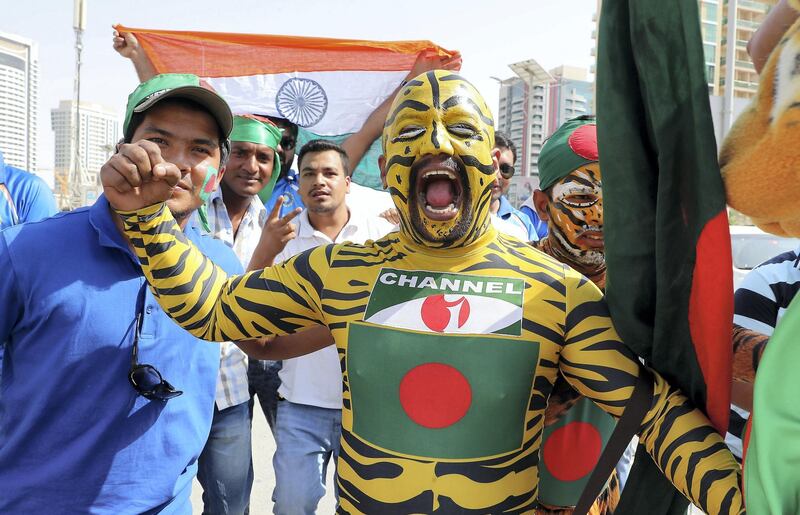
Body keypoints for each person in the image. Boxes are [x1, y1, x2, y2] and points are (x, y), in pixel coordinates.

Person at [102, 70, 743, 514]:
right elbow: (215, 310)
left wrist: (750, 501)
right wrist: (145, 221)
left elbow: (653, 413)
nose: (435, 142)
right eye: (411, 132)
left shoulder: (559, 292)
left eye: (459, 131)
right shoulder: (344, 271)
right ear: (389, 165)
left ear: (492, 160)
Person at [0, 73, 242, 513]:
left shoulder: (222, 268)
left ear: (219, 173)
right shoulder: (23, 250)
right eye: (159, 142)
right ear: (121, 153)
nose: (177, 163)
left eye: (200, 150)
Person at [249, 139, 393, 515]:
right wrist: (264, 249)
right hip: (301, 404)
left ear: (348, 182)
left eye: (330, 173)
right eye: (309, 173)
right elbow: (248, 312)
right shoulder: (282, 238)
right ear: (298, 184)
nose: (320, 181)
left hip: (366, 408)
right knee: (292, 505)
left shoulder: (380, 236)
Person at [196, 114, 285, 514]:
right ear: (223, 156)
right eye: (243, 153)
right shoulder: (188, 208)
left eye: (264, 157)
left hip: (228, 387)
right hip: (174, 383)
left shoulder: (276, 224)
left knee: (232, 503)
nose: (252, 166)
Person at [488, 132, 538, 241]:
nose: (497, 175)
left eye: (505, 169)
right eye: (491, 166)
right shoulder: (453, 216)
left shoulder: (523, 224)